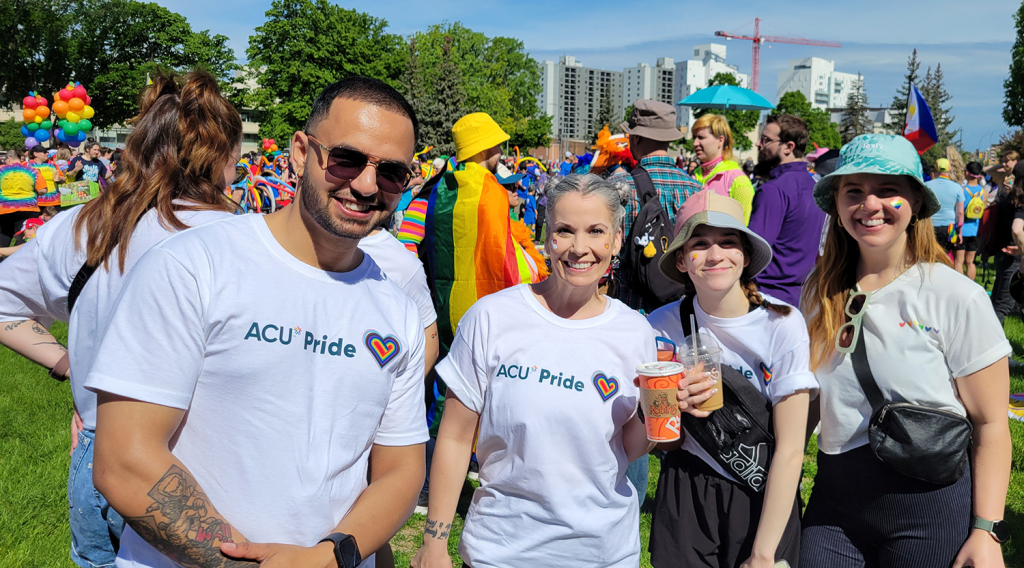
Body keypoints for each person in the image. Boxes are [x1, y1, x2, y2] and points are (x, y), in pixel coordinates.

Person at [86, 76, 428, 568]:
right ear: (300, 152)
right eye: (346, 159)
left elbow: (400, 469)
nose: (367, 185)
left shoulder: (395, 308)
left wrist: (332, 556)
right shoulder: (194, 265)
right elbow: (125, 460)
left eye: (392, 172)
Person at [0, 70, 242, 568]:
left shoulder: (86, 225)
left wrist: (73, 365)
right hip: (195, 461)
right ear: (222, 153)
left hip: (96, 450)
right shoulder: (243, 242)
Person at [410, 174, 656, 568]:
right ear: (546, 237)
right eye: (564, 230)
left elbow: (626, 450)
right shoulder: (493, 317)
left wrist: (655, 409)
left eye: (596, 231)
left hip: (601, 552)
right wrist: (435, 540)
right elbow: (455, 439)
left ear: (616, 239)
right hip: (501, 550)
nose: (579, 248)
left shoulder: (635, 333)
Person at [800, 134, 1011, 568]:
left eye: (887, 191)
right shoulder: (818, 292)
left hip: (929, 508)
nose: (869, 204)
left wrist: (986, 531)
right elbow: (807, 399)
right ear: (836, 206)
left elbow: (991, 423)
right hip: (833, 505)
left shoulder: (956, 297)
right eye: (853, 191)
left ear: (915, 201)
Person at [646, 189, 813, 568]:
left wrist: (763, 554)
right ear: (683, 261)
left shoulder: (781, 322)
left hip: (764, 488)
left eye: (728, 242)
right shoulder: (660, 325)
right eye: (699, 243)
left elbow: (791, 449)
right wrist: (671, 407)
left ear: (746, 255)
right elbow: (663, 445)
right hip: (687, 486)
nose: (715, 254)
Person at [611, 99, 702, 312]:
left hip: (631, 306)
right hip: (680, 309)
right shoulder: (696, 190)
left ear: (637, 137)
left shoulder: (619, 187)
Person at [748, 114, 826, 307]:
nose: (759, 144)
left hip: (770, 297)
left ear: (788, 147)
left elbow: (755, 250)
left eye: (766, 140)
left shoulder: (774, 189)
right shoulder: (820, 184)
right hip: (809, 296)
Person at [692, 114, 756, 224]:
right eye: (694, 138)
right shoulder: (692, 176)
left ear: (720, 140)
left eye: (701, 137)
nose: (695, 143)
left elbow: (743, 228)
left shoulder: (738, 181)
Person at [991, 162, 1024, 323]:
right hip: (1013, 258)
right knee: (1003, 305)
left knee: (997, 301)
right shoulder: (1021, 202)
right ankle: (993, 343)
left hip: (1001, 253)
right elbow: (1017, 229)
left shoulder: (1008, 197)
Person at [925, 157, 964, 253]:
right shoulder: (957, 187)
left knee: (929, 255)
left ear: (935, 169)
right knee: (946, 254)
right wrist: (959, 233)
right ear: (950, 169)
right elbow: (960, 213)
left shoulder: (927, 185)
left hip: (930, 225)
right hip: (950, 227)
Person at [956, 161, 988, 280]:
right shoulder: (984, 193)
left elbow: (958, 211)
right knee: (970, 262)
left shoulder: (961, 190)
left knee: (959, 262)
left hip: (961, 230)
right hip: (975, 231)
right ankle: (972, 285)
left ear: (967, 173)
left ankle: (959, 286)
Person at [0, 161, 41, 244]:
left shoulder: (1, 170)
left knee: (5, 233)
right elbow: (43, 190)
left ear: (9, 158)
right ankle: (23, 254)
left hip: (5, 208)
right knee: (25, 233)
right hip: (28, 208)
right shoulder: (32, 171)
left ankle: (2, 254)